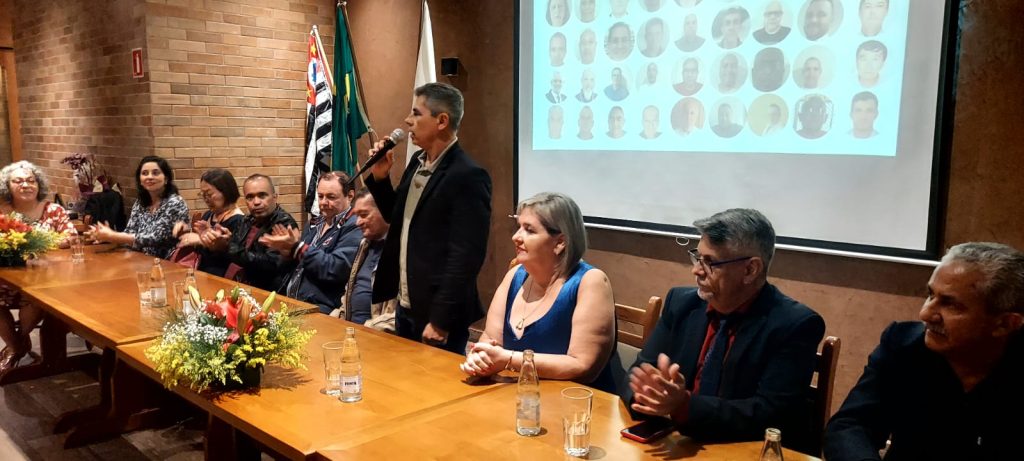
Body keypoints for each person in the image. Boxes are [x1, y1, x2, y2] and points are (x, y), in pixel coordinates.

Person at [623, 208, 825, 444]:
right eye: (697, 257)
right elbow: (638, 372)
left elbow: (770, 415)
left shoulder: (795, 325)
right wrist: (650, 395)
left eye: (710, 262)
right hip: (676, 442)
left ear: (750, 270)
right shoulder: (681, 303)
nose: (696, 270)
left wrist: (684, 406)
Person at [825, 242, 1024, 460]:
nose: (926, 314)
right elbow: (851, 425)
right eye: (930, 295)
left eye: (950, 304)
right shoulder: (903, 346)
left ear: (1005, 324)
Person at [366, 82, 492, 353]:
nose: (407, 121)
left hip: (438, 313)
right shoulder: (417, 163)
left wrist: (440, 320)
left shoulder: (468, 175)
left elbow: (466, 256)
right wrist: (380, 177)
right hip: (406, 304)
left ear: (442, 121)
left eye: (416, 113)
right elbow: (396, 217)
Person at [459, 193, 618, 393]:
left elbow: (583, 366)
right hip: (518, 395)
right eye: (518, 227)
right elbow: (490, 339)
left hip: (578, 403)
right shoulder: (515, 274)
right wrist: (480, 359)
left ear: (560, 242)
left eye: (529, 230)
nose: (516, 237)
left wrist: (508, 359)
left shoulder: (591, 281)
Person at [0, 161, 76, 377]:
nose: (26, 185)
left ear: (38, 184)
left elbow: (71, 237)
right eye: (18, 181)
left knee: (35, 297)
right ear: (7, 186)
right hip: (7, 279)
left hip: (45, 279)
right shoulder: (2, 212)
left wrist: (36, 244)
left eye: (30, 180)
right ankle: (16, 346)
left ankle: (17, 344)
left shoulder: (53, 210)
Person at [261, 172, 362, 315]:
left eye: (331, 197)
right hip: (292, 302)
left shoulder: (356, 225)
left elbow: (335, 268)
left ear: (350, 196)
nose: (323, 202)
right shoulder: (314, 223)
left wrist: (298, 248)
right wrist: (287, 254)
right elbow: (299, 264)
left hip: (322, 309)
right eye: (320, 196)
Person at [87, 155, 189, 258]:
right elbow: (130, 232)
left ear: (166, 179)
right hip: (138, 258)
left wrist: (113, 236)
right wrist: (107, 236)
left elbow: (155, 238)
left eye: (155, 173)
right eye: (145, 173)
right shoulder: (141, 202)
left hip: (165, 262)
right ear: (140, 181)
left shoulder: (175, 203)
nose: (149, 177)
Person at [222, 174, 298, 291]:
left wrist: (228, 247)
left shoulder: (284, 224)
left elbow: (271, 265)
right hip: (239, 286)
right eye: (250, 197)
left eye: (262, 195)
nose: (256, 202)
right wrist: (219, 241)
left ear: (275, 197)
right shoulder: (247, 219)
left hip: (266, 291)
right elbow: (235, 250)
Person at [339, 190, 396, 331]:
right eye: (357, 215)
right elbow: (348, 296)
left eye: (364, 215)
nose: (358, 222)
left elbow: (402, 316)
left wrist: (367, 329)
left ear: (384, 211)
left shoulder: (401, 249)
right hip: (352, 331)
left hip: (379, 336)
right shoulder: (365, 244)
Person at [174, 168, 245, 278]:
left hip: (221, 278)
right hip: (201, 273)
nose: (206, 199)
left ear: (226, 191)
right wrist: (185, 233)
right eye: (202, 194)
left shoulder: (239, 220)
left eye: (209, 194)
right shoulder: (209, 215)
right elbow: (200, 251)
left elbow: (234, 259)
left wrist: (201, 240)